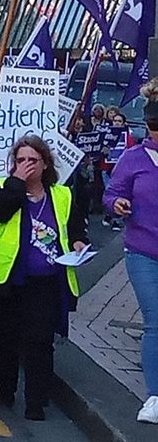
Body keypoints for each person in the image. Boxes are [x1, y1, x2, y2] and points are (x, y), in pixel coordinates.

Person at [0, 136, 87, 421]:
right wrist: (17, 181)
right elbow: (1, 214)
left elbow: (75, 229)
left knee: (39, 341)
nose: (26, 165)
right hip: (6, 280)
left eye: (32, 160)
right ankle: (6, 386)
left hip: (45, 281)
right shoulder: (3, 187)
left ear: (45, 163)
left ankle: (36, 401)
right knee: (4, 339)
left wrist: (78, 243)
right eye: (20, 160)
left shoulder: (62, 194)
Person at [103, 86, 158, 424]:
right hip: (143, 252)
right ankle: (155, 396)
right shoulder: (134, 158)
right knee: (155, 320)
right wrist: (117, 204)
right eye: (153, 126)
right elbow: (112, 194)